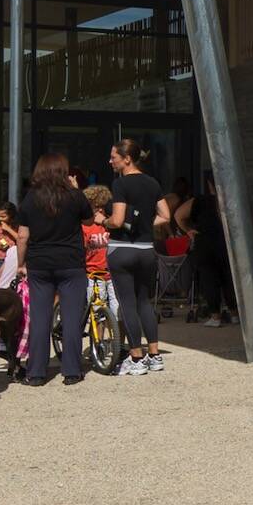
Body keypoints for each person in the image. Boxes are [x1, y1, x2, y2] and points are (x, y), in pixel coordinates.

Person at [14, 154, 92, 387]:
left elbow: (22, 236)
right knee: (71, 318)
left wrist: (20, 264)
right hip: (71, 263)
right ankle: (71, 371)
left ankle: (36, 372)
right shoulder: (74, 196)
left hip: (40, 264)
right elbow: (88, 222)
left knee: (40, 318)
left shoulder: (30, 199)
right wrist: (77, 189)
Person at [106, 136, 171, 377]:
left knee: (127, 304)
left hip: (122, 249)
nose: (110, 161)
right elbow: (165, 215)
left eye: (114, 157)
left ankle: (136, 357)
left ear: (127, 159)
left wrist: (103, 220)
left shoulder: (120, 184)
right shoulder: (152, 182)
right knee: (144, 302)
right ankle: (154, 355)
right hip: (146, 249)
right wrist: (145, 224)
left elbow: (118, 220)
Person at [190, 170, 235, 326]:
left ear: (209, 184)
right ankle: (234, 312)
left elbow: (179, 215)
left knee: (209, 279)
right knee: (229, 278)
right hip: (227, 243)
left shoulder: (201, 201)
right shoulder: (231, 199)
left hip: (205, 244)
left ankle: (215, 316)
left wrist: (189, 230)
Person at [82, 185, 113, 286]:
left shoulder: (112, 223)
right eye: (95, 207)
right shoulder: (85, 226)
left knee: (116, 301)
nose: (99, 210)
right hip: (92, 275)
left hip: (113, 274)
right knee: (95, 301)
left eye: (102, 207)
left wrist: (105, 221)